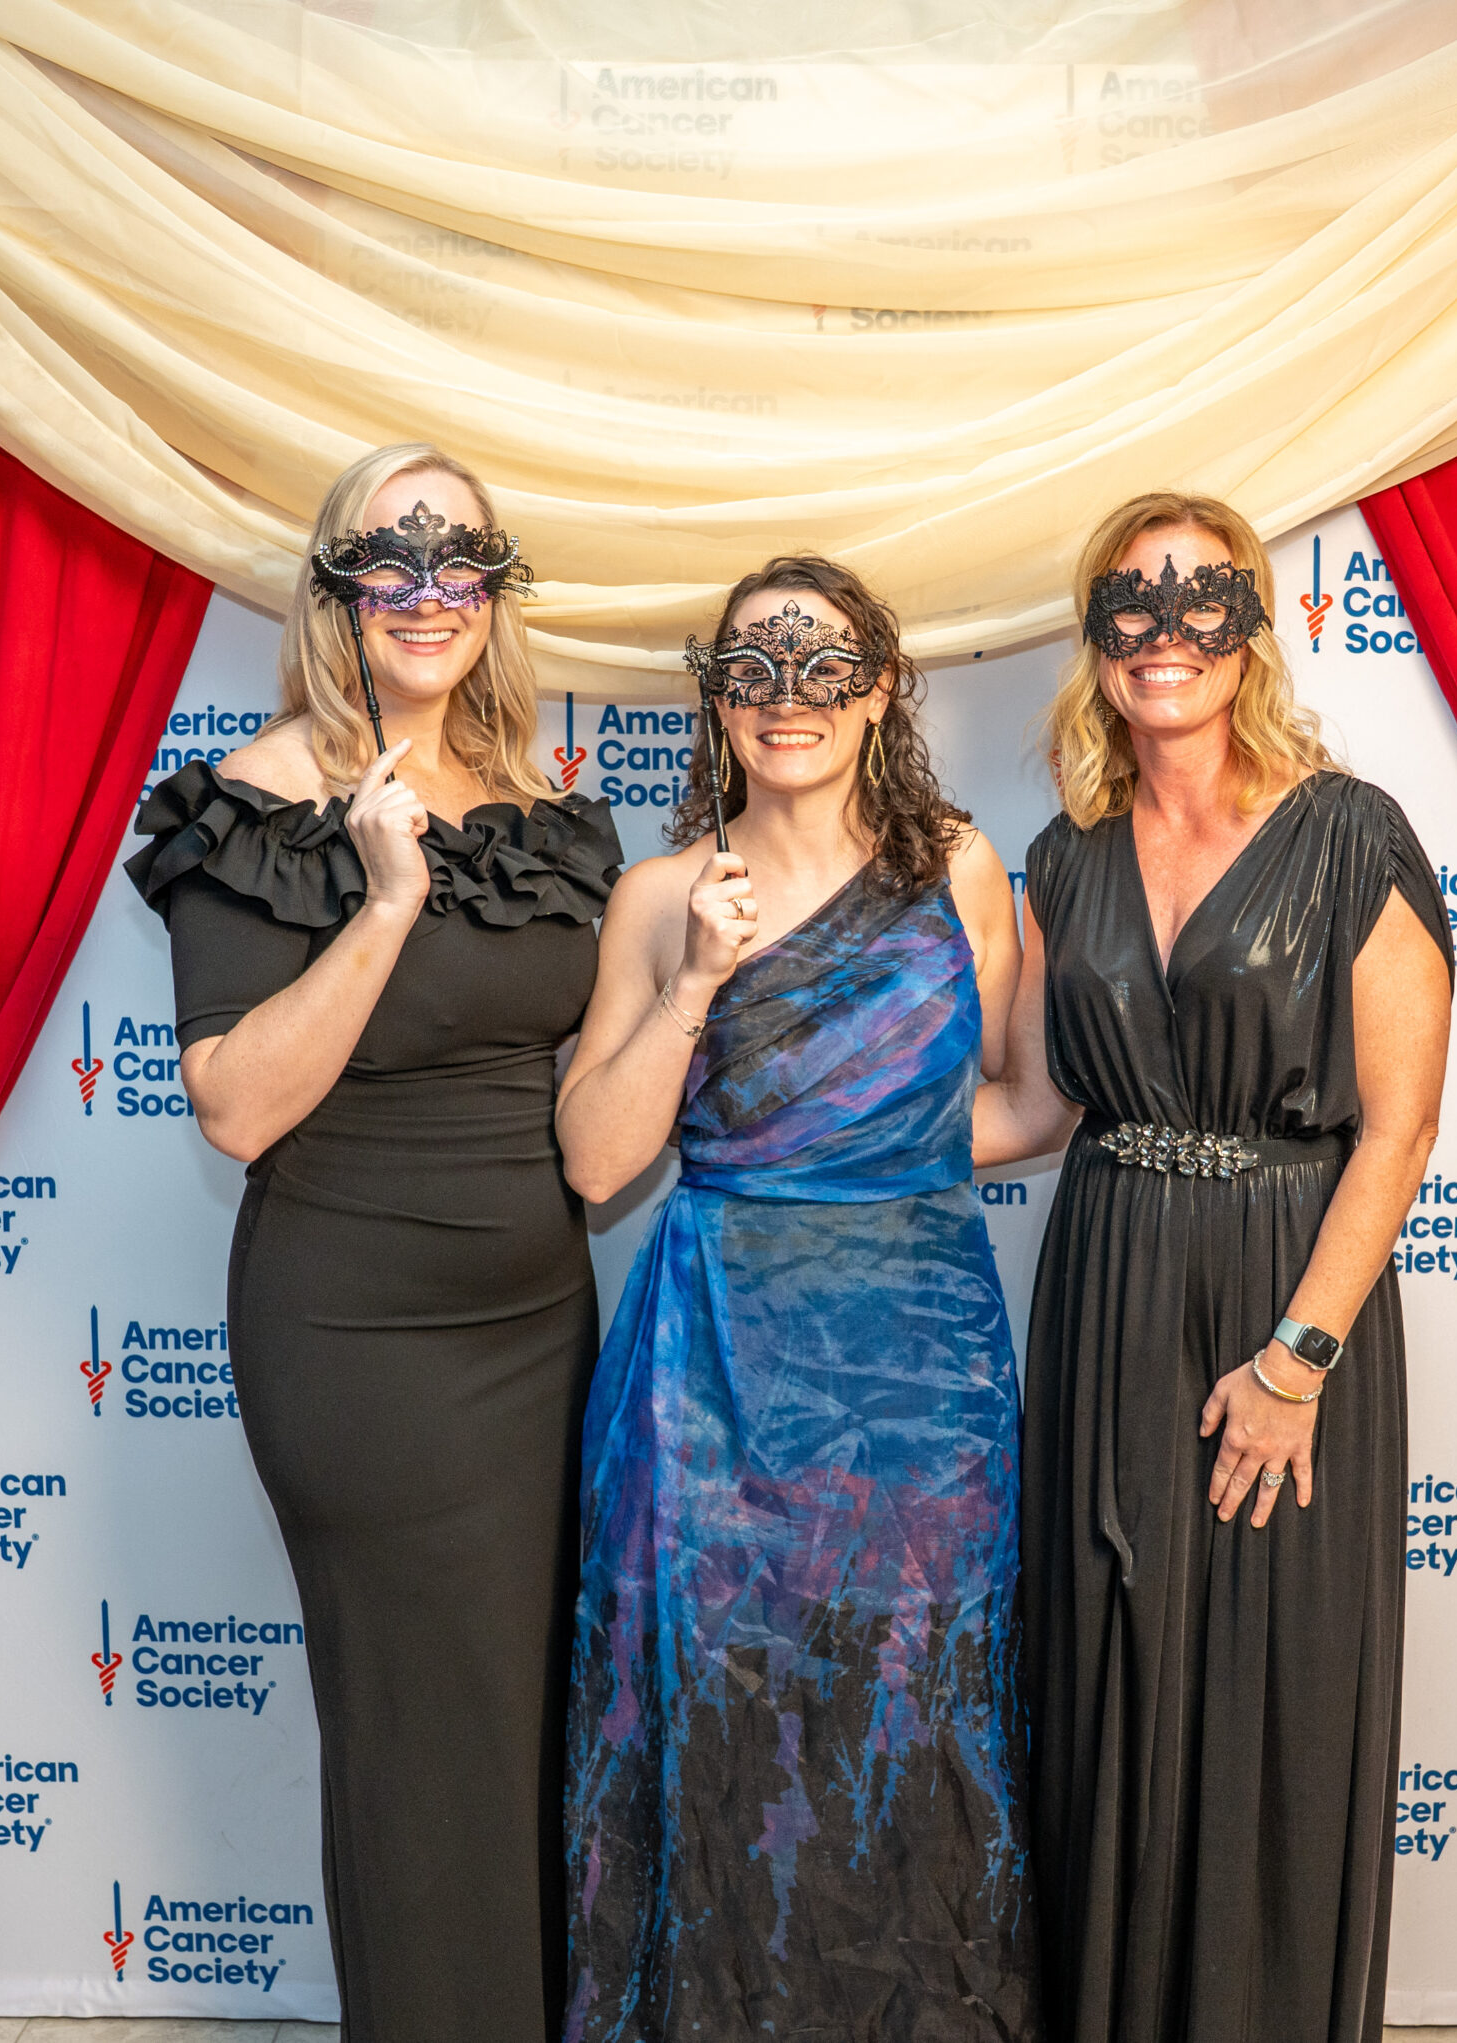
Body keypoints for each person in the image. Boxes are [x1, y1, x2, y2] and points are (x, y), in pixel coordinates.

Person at [123, 444, 620, 2043]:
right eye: (388, 562)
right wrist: (385, 902)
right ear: (334, 590)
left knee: (530, 1726)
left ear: (497, 592)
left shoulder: (539, 804)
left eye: (458, 561)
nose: (425, 593)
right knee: (424, 1747)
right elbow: (234, 1106)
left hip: (540, 1332)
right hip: (359, 1345)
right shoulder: (256, 804)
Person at [974, 493, 1453, 2043]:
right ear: (1093, 636)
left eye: (1201, 601)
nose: (1164, 635)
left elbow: (1400, 1126)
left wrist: (1297, 1361)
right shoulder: (1066, 858)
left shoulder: (1352, 832)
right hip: (1109, 1292)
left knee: (1270, 1691)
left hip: (1284, 1300)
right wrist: (817, 1117)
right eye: (1131, 602)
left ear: (1251, 629)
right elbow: (1033, 1109)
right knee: (1106, 1673)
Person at [556, 558, 1039, 2042]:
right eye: (753, 670)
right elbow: (597, 1161)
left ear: (881, 689)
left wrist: (860, 1159)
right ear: (716, 698)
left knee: (917, 1707)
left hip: (922, 1365)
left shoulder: (959, 868)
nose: (789, 700)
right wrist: (697, 981)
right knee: (725, 1713)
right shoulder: (659, 895)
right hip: (714, 1373)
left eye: (825, 666)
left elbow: (1028, 1101)